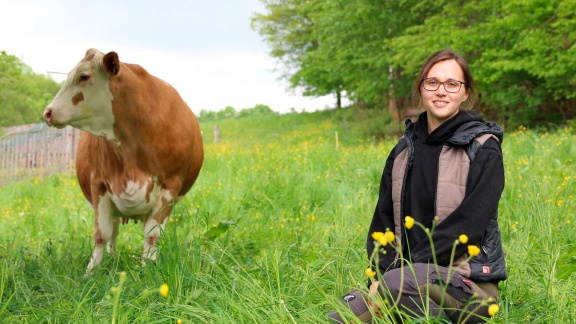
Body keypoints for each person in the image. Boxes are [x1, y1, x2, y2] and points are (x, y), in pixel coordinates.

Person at [329, 49, 507, 323]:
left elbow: (468, 227)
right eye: (432, 82)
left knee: (398, 286)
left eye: (452, 84)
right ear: (422, 88)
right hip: (401, 281)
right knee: (339, 315)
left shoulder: (483, 148)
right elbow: (382, 226)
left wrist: (397, 276)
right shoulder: (403, 151)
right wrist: (379, 277)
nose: (441, 91)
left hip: (468, 287)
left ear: (465, 92)